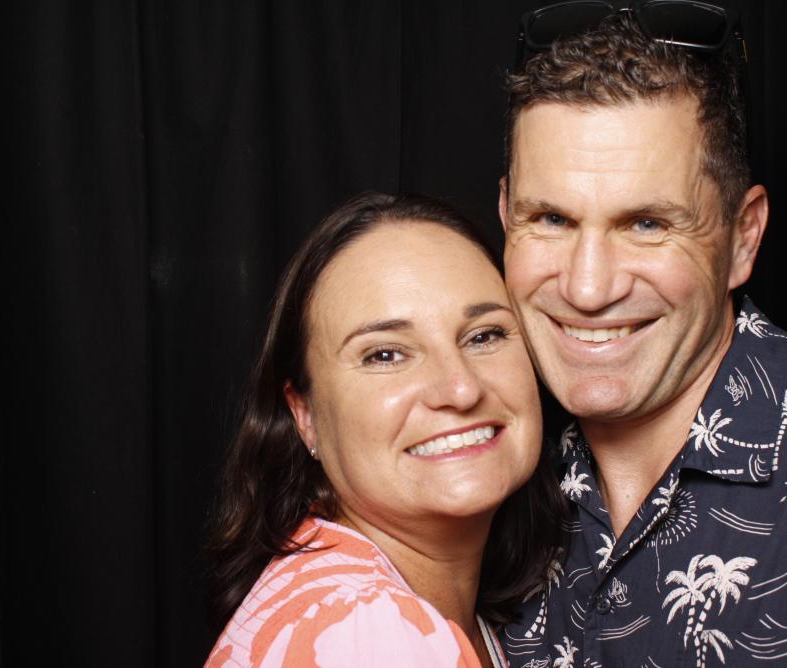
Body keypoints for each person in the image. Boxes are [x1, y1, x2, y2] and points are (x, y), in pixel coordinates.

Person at [497, 4, 787, 667]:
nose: (588, 288)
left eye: (647, 224)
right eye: (552, 219)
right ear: (506, 217)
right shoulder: (479, 468)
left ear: (743, 238)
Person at [203, 192, 566, 667]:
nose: (460, 389)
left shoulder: (371, 603)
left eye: (484, 336)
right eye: (385, 355)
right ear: (304, 414)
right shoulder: (367, 629)